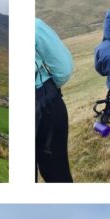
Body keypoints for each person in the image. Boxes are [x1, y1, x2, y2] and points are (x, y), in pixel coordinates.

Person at [35, 18, 74, 183]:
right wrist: (49, 88)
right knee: (58, 172)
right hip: (45, 104)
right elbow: (64, 68)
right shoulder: (33, 26)